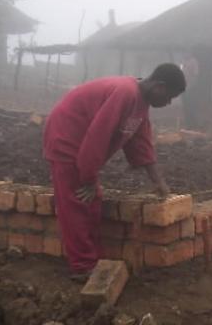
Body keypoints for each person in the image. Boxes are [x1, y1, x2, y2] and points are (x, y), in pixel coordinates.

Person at [43, 63, 186, 279]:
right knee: (76, 204)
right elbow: (97, 138)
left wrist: (158, 182)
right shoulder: (126, 93)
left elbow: (141, 142)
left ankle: (92, 259)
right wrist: (89, 178)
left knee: (93, 202)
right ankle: (83, 267)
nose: (169, 103)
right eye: (169, 97)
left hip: (81, 146)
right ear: (160, 85)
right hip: (67, 140)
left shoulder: (140, 102)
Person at [180, 55, 200, 129]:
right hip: (183, 88)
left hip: (191, 89)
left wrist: (190, 87)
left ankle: (194, 123)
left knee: (192, 106)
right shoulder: (182, 61)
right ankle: (188, 123)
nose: (186, 53)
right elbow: (181, 72)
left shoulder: (194, 61)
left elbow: (195, 76)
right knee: (185, 106)